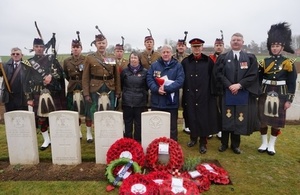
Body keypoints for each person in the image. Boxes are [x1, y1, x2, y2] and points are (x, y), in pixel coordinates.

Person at [214, 33, 260, 154]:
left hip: (242, 93)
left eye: (238, 40)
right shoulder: (223, 57)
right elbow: (218, 74)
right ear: (230, 42)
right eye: (234, 40)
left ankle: (235, 145)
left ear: (242, 42)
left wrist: (239, 85)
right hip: (226, 92)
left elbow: (253, 74)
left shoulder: (250, 58)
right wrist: (229, 85)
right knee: (226, 117)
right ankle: (223, 144)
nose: (236, 42)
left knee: (239, 117)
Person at [257, 22, 297, 155]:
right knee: (262, 120)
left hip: (281, 94)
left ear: (282, 46)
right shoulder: (264, 62)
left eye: (277, 45)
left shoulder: (288, 63)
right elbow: (258, 78)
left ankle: (271, 144)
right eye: (273, 45)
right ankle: (263, 143)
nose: (274, 48)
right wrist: (257, 93)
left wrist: (289, 100)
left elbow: (292, 83)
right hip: (265, 92)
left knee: (276, 122)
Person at [23, 29, 66, 151]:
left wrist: (51, 76)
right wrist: (29, 98)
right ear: (33, 48)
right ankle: (46, 140)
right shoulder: (28, 63)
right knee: (41, 118)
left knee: (55, 116)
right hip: (38, 93)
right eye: (37, 46)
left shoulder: (51, 60)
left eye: (41, 46)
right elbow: (25, 82)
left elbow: (61, 75)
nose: (39, 49)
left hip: (52, 92)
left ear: (44, 47)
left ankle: (56, 137)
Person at [82, 26, 121, 143]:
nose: (101, 45)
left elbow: (116, 76)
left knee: (110, 111)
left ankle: (109, 132)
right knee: (92, 111)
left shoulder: (112, 57)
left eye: (103, 43)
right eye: (99, 43)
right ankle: (90, 133)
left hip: (109, 87)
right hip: (95, 87)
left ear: (106, 43)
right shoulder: (89, 58)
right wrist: (86, 93)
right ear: (96, 44)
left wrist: (118, 91)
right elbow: (85, 77)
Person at [181, 38, 219, 154]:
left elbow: (213, 79)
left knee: (203, 119)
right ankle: (193, 138)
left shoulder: (208, 62)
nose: (196, 49)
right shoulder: (185, 62)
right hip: (190, 94)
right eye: (194, 47)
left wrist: (212, 94)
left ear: (202, 47)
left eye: (198, 47)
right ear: (191, 48)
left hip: (204, 95)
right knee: (191, 116)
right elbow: (182, 78)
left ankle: (203, 142)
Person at [147, 44, 184, 141]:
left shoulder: (178, 66)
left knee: (172, 127)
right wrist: (156, 89)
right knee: (157, 126)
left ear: (171, 53)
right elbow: (149, 79)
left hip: (171, 103)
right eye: (164, 52)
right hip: (157, 102)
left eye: (168, 52)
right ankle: (155, 146)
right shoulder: (154, 65)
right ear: (160, 53)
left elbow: (180, 81)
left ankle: (172, 146)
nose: (166, 54)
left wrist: (167, 88)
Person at [121, 51, 148, 143]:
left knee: (138, 123)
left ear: (139, 60)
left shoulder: (145, 72)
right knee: (127, 122)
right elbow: (121, 85)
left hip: (140, 102)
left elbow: (147, 86)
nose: (133, 60)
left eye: (135, 58)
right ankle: (127, 141)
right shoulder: (125, 71)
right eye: (131, 58)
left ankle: (137, 141)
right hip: (127, 102)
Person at [63, 31, 86, 139]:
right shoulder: (67, 61)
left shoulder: (86, 60)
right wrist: (73, 81)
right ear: (71, 48)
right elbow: (66, 75)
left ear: (81, 48)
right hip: (72, 87)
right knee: (74, 110)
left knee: (86, 110)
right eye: (74, 47)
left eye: (78, 47)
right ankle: (79, 131)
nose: (75, 49)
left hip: (84, 86)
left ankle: (89, 133)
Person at [208, 31, 225, 139]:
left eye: (220, 45)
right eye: (217, 45)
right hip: (211, 87)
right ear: (214, 46)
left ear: (223, 46)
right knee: (211, 109)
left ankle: (220, 129)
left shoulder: (227, 57)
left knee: (222, 109)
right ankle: (210, 128)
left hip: (223, 88)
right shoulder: (210, 58)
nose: (218, 47)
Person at [173, 31, 190, 135]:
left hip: (186, 85)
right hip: (174, 85)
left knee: (186, 106)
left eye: (182, 45)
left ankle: (186, 125)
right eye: (179, 45)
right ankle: (173, 125)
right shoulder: (172, 57)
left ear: (186, 46)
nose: (181, 47)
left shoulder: (189, 57)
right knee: (173, 106)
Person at [0, 47, 28, 111]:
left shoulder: (26, 66)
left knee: (23, 117)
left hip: (22, 97)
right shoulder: (4, 66)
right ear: (11, 55)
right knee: (10, 117)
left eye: (17, 54)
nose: (15, 55)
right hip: (9, 97)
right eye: (13, 54)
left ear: (22, 55)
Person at [114, 36, 129, 111]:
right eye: (117, 51)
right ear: (114, 52)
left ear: (123, 52)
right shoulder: (111, 61)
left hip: (124, 87)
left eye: (120, 51)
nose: (119, 53)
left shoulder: (127, 62)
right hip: (114, 87)